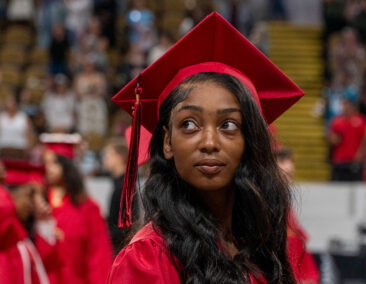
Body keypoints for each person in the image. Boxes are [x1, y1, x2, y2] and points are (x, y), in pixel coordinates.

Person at [107, 12, 304, 283]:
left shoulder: (261, 250)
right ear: (167, 142)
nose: (209, 143)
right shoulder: (147, 259)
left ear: (251, 141)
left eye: (229, 125)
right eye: (189, 124)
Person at [42, 137, 113, 284]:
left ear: (67, 166)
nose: (47, 168)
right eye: (45, 162)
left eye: (54, 163)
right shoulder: (38, 204)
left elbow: (98, 255)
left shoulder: (88, 208)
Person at [275, 149, 320, 284]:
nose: (289, 167)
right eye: (283, 161)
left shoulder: (285, 203)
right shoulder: (265, 202)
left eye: (290, 162)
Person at [329, 92, 366, 181]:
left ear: (352, 105)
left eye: (346, 104)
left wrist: (361, 153)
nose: (344, 107)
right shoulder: (337, 121)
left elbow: (365, 139)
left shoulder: (361, 120)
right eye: (343, 104)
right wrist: (334, 139)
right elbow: (331, 138)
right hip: (339, 160)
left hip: (354, 160)